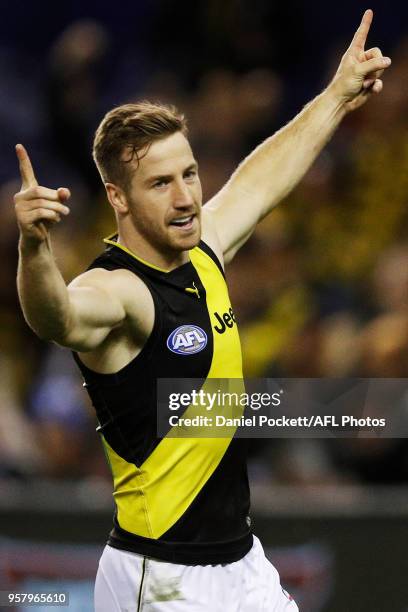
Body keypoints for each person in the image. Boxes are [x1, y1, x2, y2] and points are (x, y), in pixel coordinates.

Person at [15, 10, 390, 611]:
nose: (187, 196)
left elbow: (262, 181)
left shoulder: (202, 249)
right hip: (163, 580)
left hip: (242, 565)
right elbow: (55, 316)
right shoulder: (117, 290)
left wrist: (337, 96)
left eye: (189, 174)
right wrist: (35, 249)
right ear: (118, 198)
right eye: (161, 183)